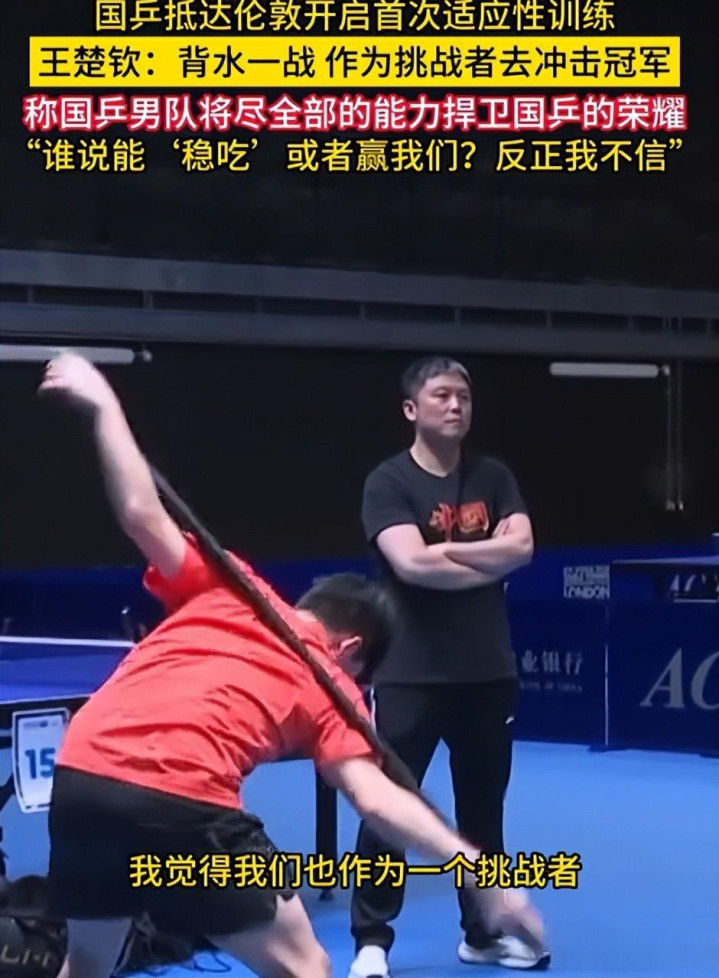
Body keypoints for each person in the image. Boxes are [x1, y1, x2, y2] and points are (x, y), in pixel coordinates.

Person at [38, 354, 545, 978]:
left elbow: (141, 512)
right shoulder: (331, 683)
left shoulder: (234, 588)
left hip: (80, 776)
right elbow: (377, 800)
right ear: (351, 648)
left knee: (88, 963)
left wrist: (102, 401)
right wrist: (478, 875)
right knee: (307, 967)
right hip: (183, 795)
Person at [349, 356, 548, 977]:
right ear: (412, 409)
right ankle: (372, 943)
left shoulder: (494, 476)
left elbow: (524, 548)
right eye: (442, 395)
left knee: (483, 813)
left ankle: (482, 934)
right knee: (390, 808)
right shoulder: (388, 482)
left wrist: (449, 555)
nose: (456, 405)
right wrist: (489, 556)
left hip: (487, 672)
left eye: (464, 395)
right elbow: (410, 564)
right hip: (409, 672)